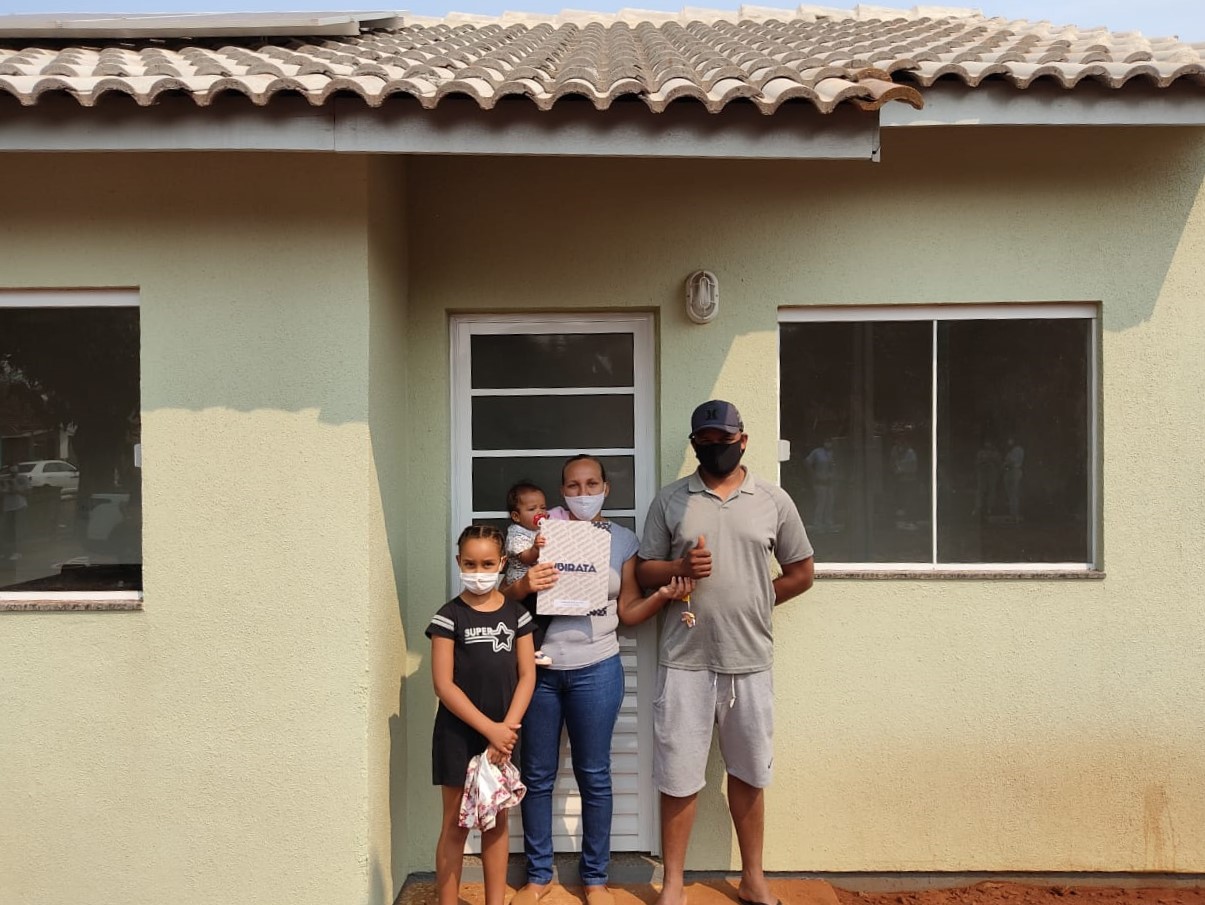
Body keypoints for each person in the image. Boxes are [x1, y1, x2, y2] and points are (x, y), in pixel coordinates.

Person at [635, 400, 814, 905]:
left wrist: (760, 597)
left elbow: (801, 572)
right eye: (706, 441)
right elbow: (644, 569)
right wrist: (679, 565)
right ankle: (673, 884)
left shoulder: (774, 501)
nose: (717, 448)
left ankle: (753, 878)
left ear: (743, 439)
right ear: (695, 444)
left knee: (751, 772)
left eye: (724, 439)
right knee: (678, 775)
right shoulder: (671, 500)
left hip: (750, 660)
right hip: (684, 658)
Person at [507, 455, 692, 905]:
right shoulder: (540, 532)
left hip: (598, 668)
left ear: (606, 488)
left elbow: (627, 611)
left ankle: (594, 878)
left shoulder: (623, 541)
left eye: (591, 484)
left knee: (595, 776)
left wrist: (664, 596)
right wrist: (527, 580)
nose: (582, 492)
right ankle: (537, 875)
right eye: (573, 485)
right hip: (540, 669)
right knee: (537, 774)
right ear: (562, 491)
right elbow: (505, 598)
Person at [426, 525, 537, 905]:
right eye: (470, 563)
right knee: (456, 824)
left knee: (497, 822)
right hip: (459, 735)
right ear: (458, 562)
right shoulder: (447, 617)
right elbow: (444, 685)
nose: (478, 571)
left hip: (505, 737)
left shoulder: (518, 614)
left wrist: (505, 732)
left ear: (502, 564)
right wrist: (490, 729)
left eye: (487, 563)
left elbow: (527, 676)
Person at [503, 481, 553, 666]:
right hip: (523, 585)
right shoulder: (516, 533)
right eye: (532, 508)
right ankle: (531, 651)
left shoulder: (540, 530)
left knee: (541, 617)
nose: (540, 512)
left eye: (543, 507)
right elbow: (525, 557)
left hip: (537, 583)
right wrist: (536, 548)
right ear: (516, 516)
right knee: (535, 618)